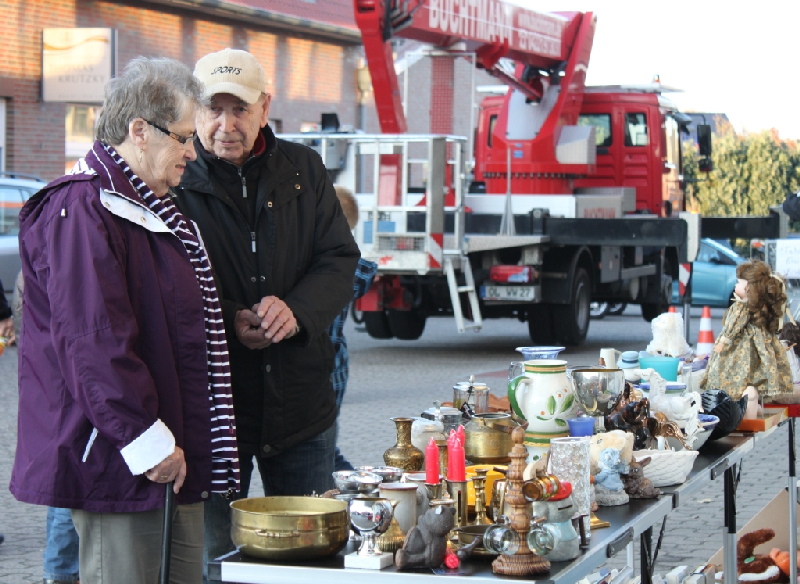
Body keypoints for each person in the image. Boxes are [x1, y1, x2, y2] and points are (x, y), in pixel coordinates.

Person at [10, 57, 239, 584]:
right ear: (139, 131)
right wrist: (146, 439)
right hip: (123, 459)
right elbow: (94, 344)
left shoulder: (147, 206)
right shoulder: (83, 208)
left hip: (165, 457)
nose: (192, 151)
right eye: (183, 136)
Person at [173, 49, 359, 579]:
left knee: (307, 559)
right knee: (215, 562)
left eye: (239, 109)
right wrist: (230, 317)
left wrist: (295, 310)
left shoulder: (304, 168)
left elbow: (339, 260)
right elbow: (167, 284)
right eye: (213, 109)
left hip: (300, 410)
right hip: (214, 413)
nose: (224, 125)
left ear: (265, 108)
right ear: (195, 109)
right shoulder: (176, 176)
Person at [329, 187, 377, 471]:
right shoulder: (351, 266)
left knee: (324, 450)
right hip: (337, 367)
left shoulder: (338, 265)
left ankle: (356, 491)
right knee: (327, 445)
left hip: (324, 372)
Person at [702, 260, 793, 402]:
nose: (736, 286)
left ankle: (741, 400)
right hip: (757, 347)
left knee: (736, 373)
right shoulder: (761, 309)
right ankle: (753, 401)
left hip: (740, 348)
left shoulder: (741, 308)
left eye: (739, 283)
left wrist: (724, 341)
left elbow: (732, 326)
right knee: (755, 374)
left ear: (750, 288)